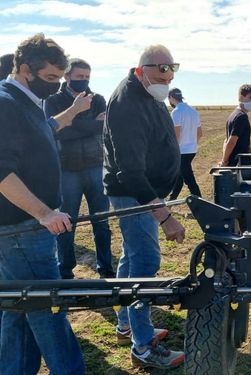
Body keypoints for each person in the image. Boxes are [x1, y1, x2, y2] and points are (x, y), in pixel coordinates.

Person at [0, 33, 88, 375]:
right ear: (25, 69)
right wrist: (44, 212)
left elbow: (47, 128)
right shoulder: (6, 104)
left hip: (25, 229)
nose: (55, 85)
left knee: (18, 309)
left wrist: (74, 111)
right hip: (22, 228)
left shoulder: (24, 101)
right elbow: (2, 171)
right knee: (49, 308)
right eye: (51, 78)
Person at [103, 44, 185, 369]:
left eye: (172, 67)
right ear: (140, 70)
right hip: (135, 195)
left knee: (131, 257)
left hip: (145, 192)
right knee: (144, 265)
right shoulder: (127, 103)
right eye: (161, 68)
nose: (168, 74)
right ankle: (143, 345)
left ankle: (127, 325)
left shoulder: (149, 93)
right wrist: (164, 216)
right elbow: (132, 174)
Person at [45, 58, 114, 279]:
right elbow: (58, 131)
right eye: (79, 77)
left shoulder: (99, 99)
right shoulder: (54, 100)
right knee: (66, 223)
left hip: (95, 166)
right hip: (67, 170)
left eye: (87, 77)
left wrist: (72, 123)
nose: (84, 81)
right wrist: (90, 123)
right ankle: (65, 270)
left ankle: (106, 268)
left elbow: (104, 127)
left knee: (101, 222)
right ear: (67, 76)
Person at [167, 87, 202, 200]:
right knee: (179, 178)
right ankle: (170, 203)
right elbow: (200, 133)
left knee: (189, 180)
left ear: (171, 98)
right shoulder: (193, 111)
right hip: (192, 150)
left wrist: (174, 151)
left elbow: (177, 134)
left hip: (181, 152)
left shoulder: (176, 112)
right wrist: (192, 144)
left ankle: (202, 206)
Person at [219, 84, 251, 167]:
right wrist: (224, 161)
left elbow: (226, 140)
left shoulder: (233, 114)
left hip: (234, 161)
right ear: (241, 98)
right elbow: (231, 141)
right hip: (240, 162)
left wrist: (225, 159)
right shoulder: (241, 117)